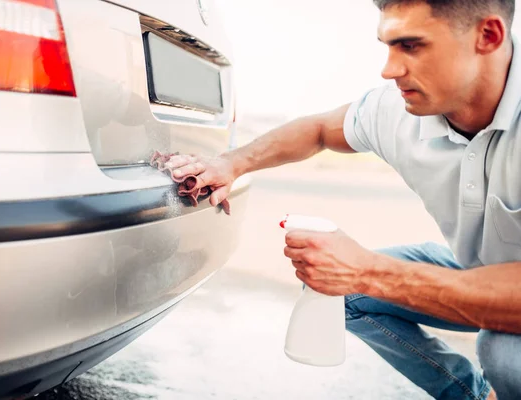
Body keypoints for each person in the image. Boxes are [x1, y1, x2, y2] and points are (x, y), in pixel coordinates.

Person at [164, 0, 520, 399]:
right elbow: (317, 130)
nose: (389, 69)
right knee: (345, 293)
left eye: (412, 46)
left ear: (487, 36)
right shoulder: (399, 110)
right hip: (483, 265)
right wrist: (230, 164)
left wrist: (367, 271)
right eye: (388, 45)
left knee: (506, 355)